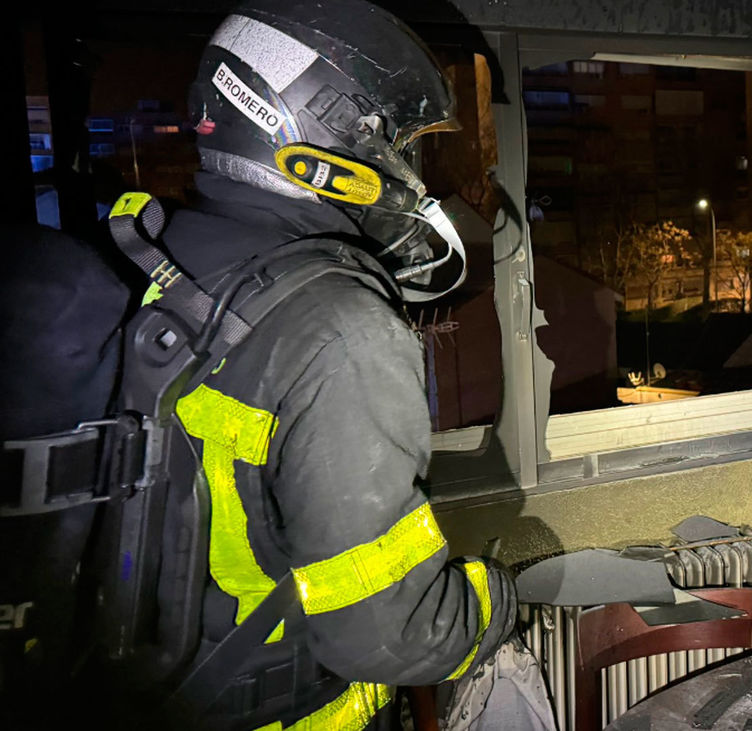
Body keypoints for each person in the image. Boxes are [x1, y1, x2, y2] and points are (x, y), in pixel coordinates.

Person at [94, 1, 516, 727]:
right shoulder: (340, 328)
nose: (409, 172)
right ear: (330, 135)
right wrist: (501, 599)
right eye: (398, 143)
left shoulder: (159, 264)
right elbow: (392, 634)